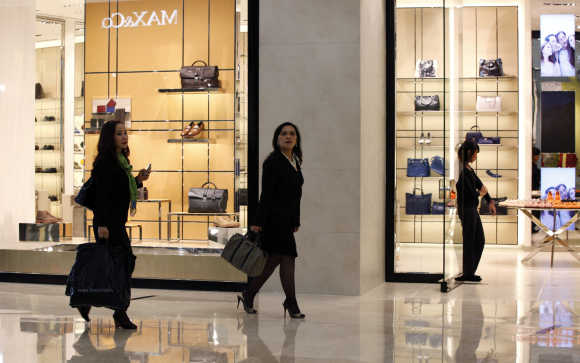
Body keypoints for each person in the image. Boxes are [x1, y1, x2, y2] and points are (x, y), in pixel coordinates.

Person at [75, 120, 150, 328]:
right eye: (119, 134)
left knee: (116, 265)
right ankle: (119, 312)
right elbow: (101, 197)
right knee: (119, 265)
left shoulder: (122, 161)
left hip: (117, 221)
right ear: (110, 138)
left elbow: (120, 191)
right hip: (107, 224)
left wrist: (138, 180)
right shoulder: (105, 163)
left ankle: (90, 301)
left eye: (125, 133)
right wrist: (101, 225)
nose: (124, 137)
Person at [239, 122, 305, 319]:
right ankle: (291, 302)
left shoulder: (295, 160)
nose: (288, 136)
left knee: (274, 260)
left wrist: (296, 220)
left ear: (297, 139)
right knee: (287, 257)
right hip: (273, 220)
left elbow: (296, 195)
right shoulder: (272, 162)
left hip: (286, 221)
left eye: (292, 134)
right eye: (284, 134)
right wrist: (258, 222)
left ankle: (249, 293)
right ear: (277, 139)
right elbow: (265, 195)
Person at [456, 141, 496, 282]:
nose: (475, 157)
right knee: (471, 241)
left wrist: (489, 200)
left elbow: (480, 185)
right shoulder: (461, 170)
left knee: (478, 240)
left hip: (471, 209)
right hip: (466, 209)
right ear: (468, 153)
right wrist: (479, 194)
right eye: (474, 153)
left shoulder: (468, 169)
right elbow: (466, 192)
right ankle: (468, 273)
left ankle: (469, 272)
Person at [532, 147, 541, 233]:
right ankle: (532, 227)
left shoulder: (534, 166)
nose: (537, 157)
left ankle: (533, 227)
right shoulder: (531, 167)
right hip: (532, 191)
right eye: (536, 155)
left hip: (535, 191)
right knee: (535, 211)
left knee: (536, 211)